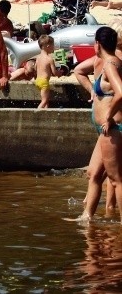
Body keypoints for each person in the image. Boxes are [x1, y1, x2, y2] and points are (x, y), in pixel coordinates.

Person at [77, 27, 122, 223]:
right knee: (93, 173)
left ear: (98, 44)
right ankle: (86, 217)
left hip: (112, 129)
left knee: (116, 179)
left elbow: (121, 92)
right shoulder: (110, 62)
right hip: (106, 130)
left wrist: (108, 116)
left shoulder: (111, 65)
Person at [35, 35, 62, 108]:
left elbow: (35, 68)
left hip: (38, 81)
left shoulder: (38, 58)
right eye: (53, 45)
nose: (54, 47)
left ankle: (46, 114)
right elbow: (54, 72)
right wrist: (59, 73)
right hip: (44, 82)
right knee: (44, 101)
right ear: (48, 46)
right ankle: (35, 114)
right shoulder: (49, 59)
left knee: (46, 101)